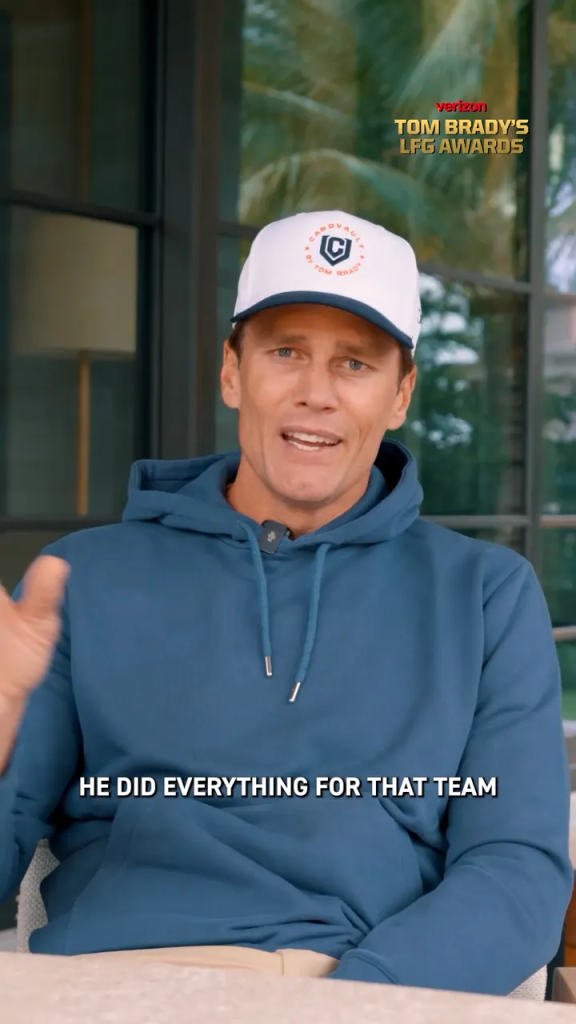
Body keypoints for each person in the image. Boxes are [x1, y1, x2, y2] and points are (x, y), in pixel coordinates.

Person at [0, 210, 572, 995]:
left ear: (401, 393)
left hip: (359, 988)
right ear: (233, 372)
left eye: (354, 364)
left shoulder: (483, 595)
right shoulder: (79, 579)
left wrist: (355, 1004)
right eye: (286, 353)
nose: (315, 395)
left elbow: (517, 868)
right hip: (113, 983)